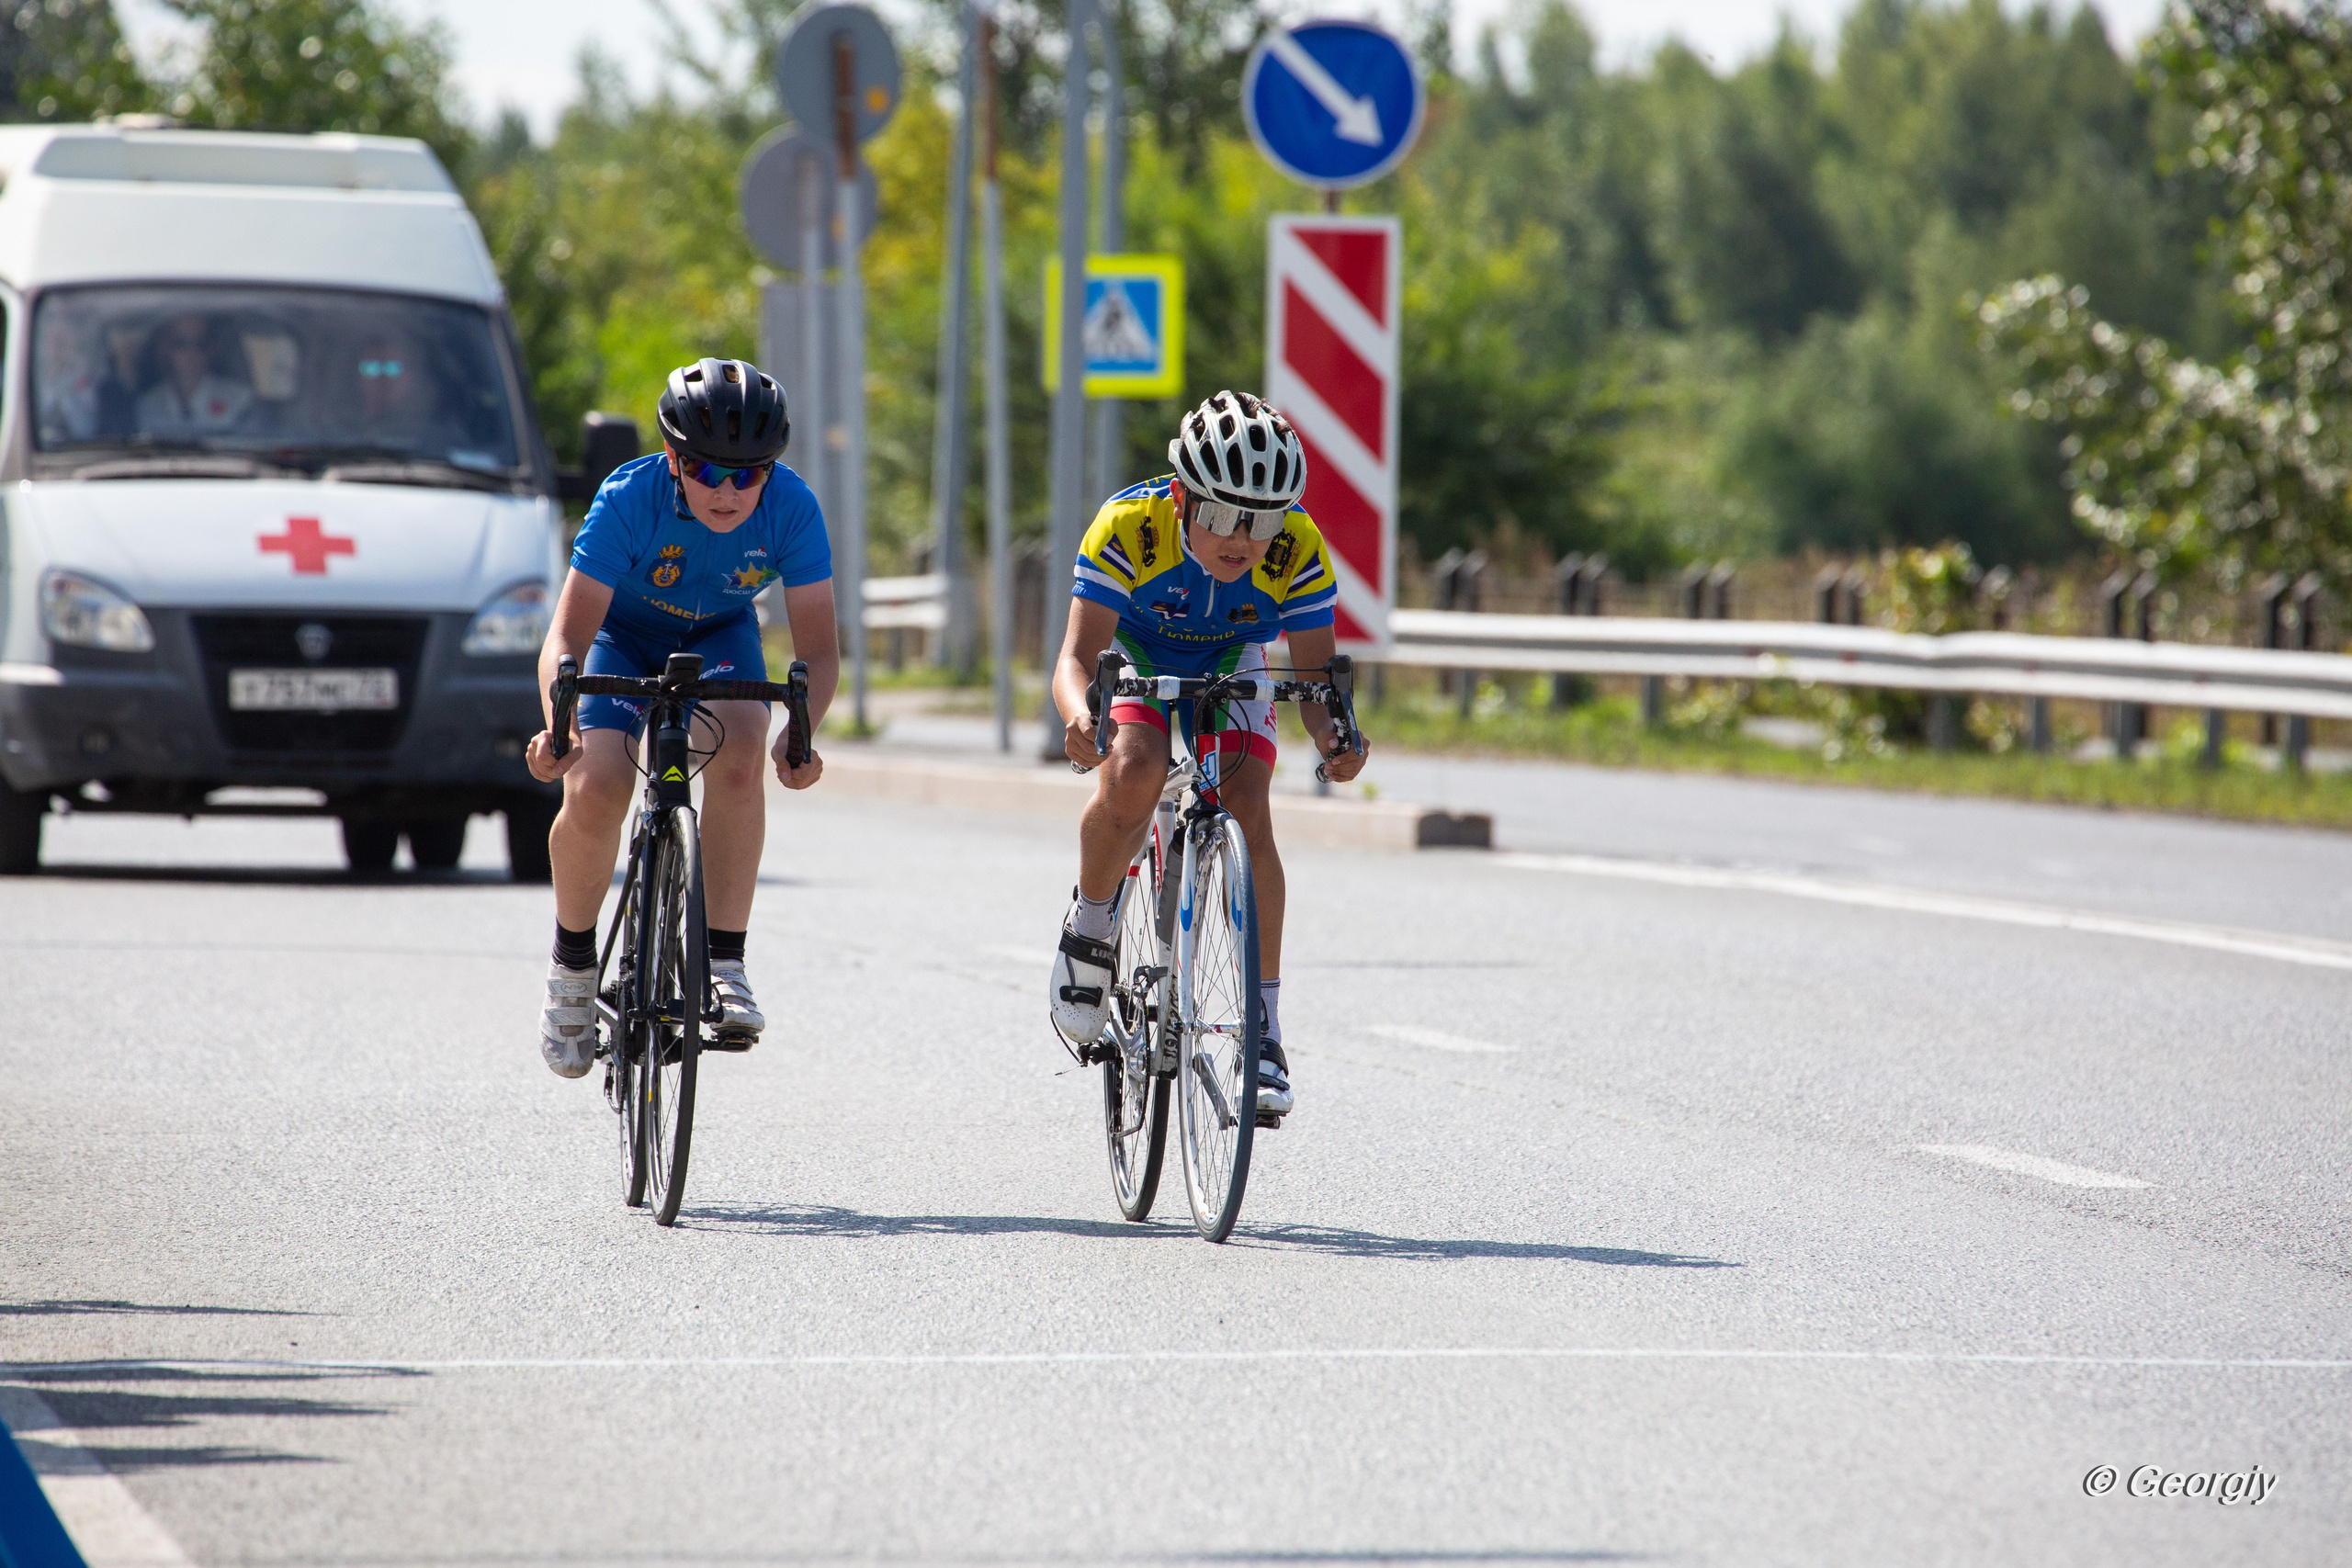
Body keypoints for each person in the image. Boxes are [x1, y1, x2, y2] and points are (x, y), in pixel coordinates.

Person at [1046, 389, 1371, 1121]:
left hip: (1232, 659)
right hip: (1135, 652)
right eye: (1222, 514)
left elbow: (1317, 683)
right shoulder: (1129, 527)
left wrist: (1334, 738)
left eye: (1262, 520)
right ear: (1182, 497)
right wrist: (1079, 717)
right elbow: (1075, 657)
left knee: (1248, 802)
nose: (1242, 537)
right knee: (1133, 769)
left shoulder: (1298, 549)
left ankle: (1262, 1033)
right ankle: (1093, 928)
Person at [525, 358, 838, 1078]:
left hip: (717, 637)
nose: (726, 491)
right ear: (673, 458)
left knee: (742, 749)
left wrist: (802, 733)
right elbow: (567, 640)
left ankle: (724, 958)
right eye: (705, 471)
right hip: (620, 637)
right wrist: (560, 726)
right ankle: (572, 968)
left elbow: (819, 651)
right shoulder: (628, 497)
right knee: (598, 783)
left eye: (747, 474)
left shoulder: (792, 507)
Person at [134, 314, 252, 437]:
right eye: (180, 344)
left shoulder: (240, 401)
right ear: (165, 349)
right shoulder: (148, 406)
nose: (191, 353)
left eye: (201, 344)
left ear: (212, 349)